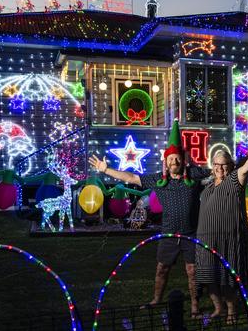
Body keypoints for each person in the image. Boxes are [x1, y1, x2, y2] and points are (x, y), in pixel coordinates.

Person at [88, 120, 208, 317]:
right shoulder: (158, 180)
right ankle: (157, 299)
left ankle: (195, 304)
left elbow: (219, 171)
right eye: (171, 159)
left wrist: (245, 161)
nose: (174, 162)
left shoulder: (194, 175)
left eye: (177, 159)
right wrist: (106, 170)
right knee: (162, 268)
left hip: (191, 233)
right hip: (168, 234)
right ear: (166, 161)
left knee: (192, 270)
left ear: (183, 160)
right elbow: (131, 178)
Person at [195, 141, 248, 323]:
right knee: (208, 276)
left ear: (230, 166)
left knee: (227, 278)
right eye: (216, 164)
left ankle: (231, 310)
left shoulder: (235, 180)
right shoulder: (208, 186)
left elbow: (245, 169)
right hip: (206, 240)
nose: (220, 167)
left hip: (228, 239)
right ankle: (218, 308)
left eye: (224, 164)